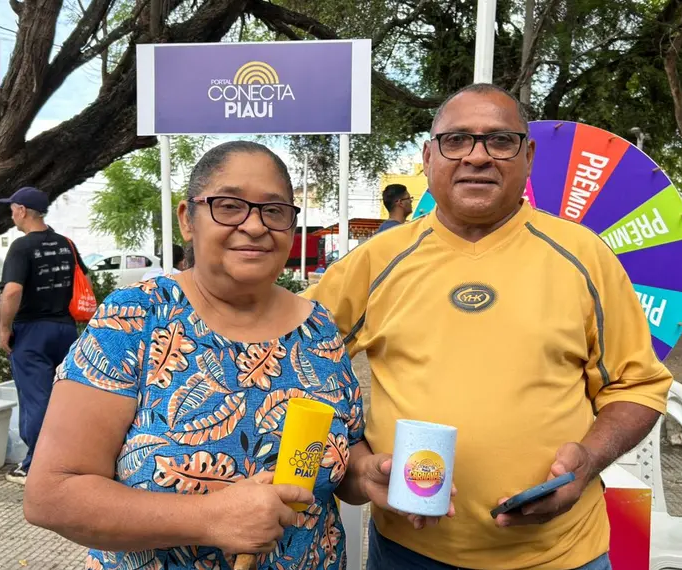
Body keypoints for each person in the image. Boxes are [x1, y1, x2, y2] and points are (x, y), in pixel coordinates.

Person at [303, 83, 673, 570]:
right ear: (428, 156)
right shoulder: (377, 261)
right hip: (409, 554)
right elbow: (294, 362)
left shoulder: (584, 257)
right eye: (456, 140)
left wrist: (588, 461)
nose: (477, 157)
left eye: (500, 141)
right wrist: (354, 462)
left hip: (563, 554)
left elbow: (638, 386)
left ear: (529, 155)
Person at [24, 141, 400, 570]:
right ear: (188, 219)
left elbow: (341, 456)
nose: (256, 226)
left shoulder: (318, 330)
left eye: (274, 210)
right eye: (229, 205)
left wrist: (366, 475)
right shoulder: (135, 319)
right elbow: (51, 495)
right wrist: (207, 519)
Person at [0, 186, 88, 485]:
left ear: (21, 210)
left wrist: (5, 327)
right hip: (64, 329)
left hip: (32, 332)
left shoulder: (21, 247)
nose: (11, 214)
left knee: (36, 400)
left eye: (12, 209)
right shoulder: (65, 244)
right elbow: (80, 277)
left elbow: (12, 291)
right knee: (65, 397)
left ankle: (34, 465)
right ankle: (71, 459)